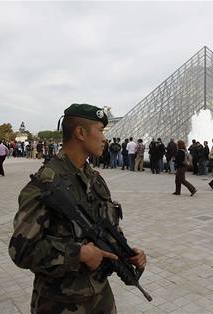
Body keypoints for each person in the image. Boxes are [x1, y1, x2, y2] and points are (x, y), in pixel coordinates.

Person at [8, 103, 147, 313]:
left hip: (100, 297)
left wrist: (126, 253)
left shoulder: (95, 179)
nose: (104, 138)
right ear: (80, 133)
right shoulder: (46, 183)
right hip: (60, 302)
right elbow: (22, 250)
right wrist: (78, 253)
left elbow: (107, 227)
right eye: (100, 130)